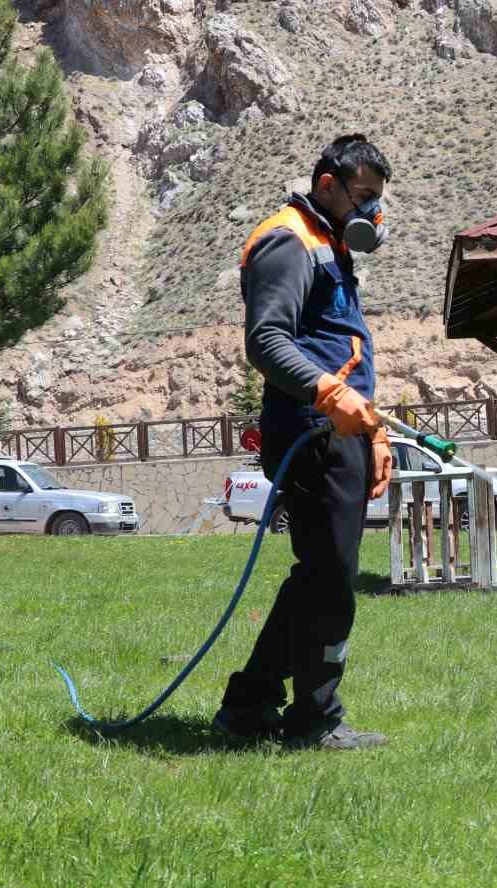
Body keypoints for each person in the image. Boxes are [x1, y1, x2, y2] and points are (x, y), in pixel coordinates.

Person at [213, 134, 395, 750]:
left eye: (376, 199)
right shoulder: (288, 241)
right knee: (333, 582)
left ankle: (248, 706)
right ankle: (316, 720)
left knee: (318, 575)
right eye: (363, 196)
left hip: (339, 429)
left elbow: (339, 349)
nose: (371, 210)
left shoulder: (331, 244)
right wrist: (329, 396)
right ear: (327, 185)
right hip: (310, 431)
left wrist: (374, 430)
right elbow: (266, 341)